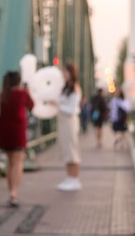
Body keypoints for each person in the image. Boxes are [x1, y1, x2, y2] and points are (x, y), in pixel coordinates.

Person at [0, 71, 35, 207]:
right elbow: (32, 105)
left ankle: (10, 191)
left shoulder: (3, 95)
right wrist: (28, 91)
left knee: (10, 162)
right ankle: (14, 193)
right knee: (18, 162)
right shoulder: (22, 94)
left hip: (5, 131)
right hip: (18, 131)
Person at [50, 62, 82, 191]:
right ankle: (69, 177)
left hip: (69, 122)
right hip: (63, 122)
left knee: (72, 150)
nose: (64, 74)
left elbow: (72, 109)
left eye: (66, 71)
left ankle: (74, 178)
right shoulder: (66, 88)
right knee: (66, 150)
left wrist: (57, 105)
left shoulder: (75, 88)